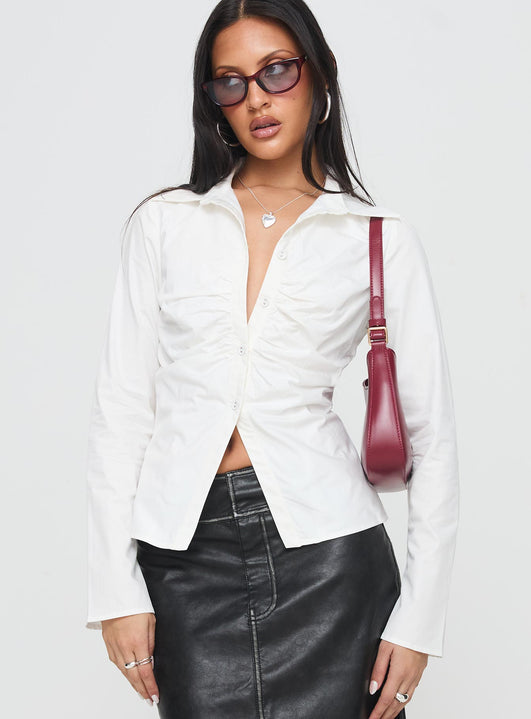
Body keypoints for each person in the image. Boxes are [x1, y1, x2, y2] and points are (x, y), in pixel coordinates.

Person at [85, 1, 459, 718]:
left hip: (330, 558)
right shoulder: (164, 224)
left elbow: (432, 438)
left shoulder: (377, 236)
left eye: (276, 71)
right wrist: (114, 587)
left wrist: (419, 621)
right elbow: (122, 410)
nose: (255, 97)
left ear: (319, 75)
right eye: (230, 81)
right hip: (185, 560)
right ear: (214, 102)